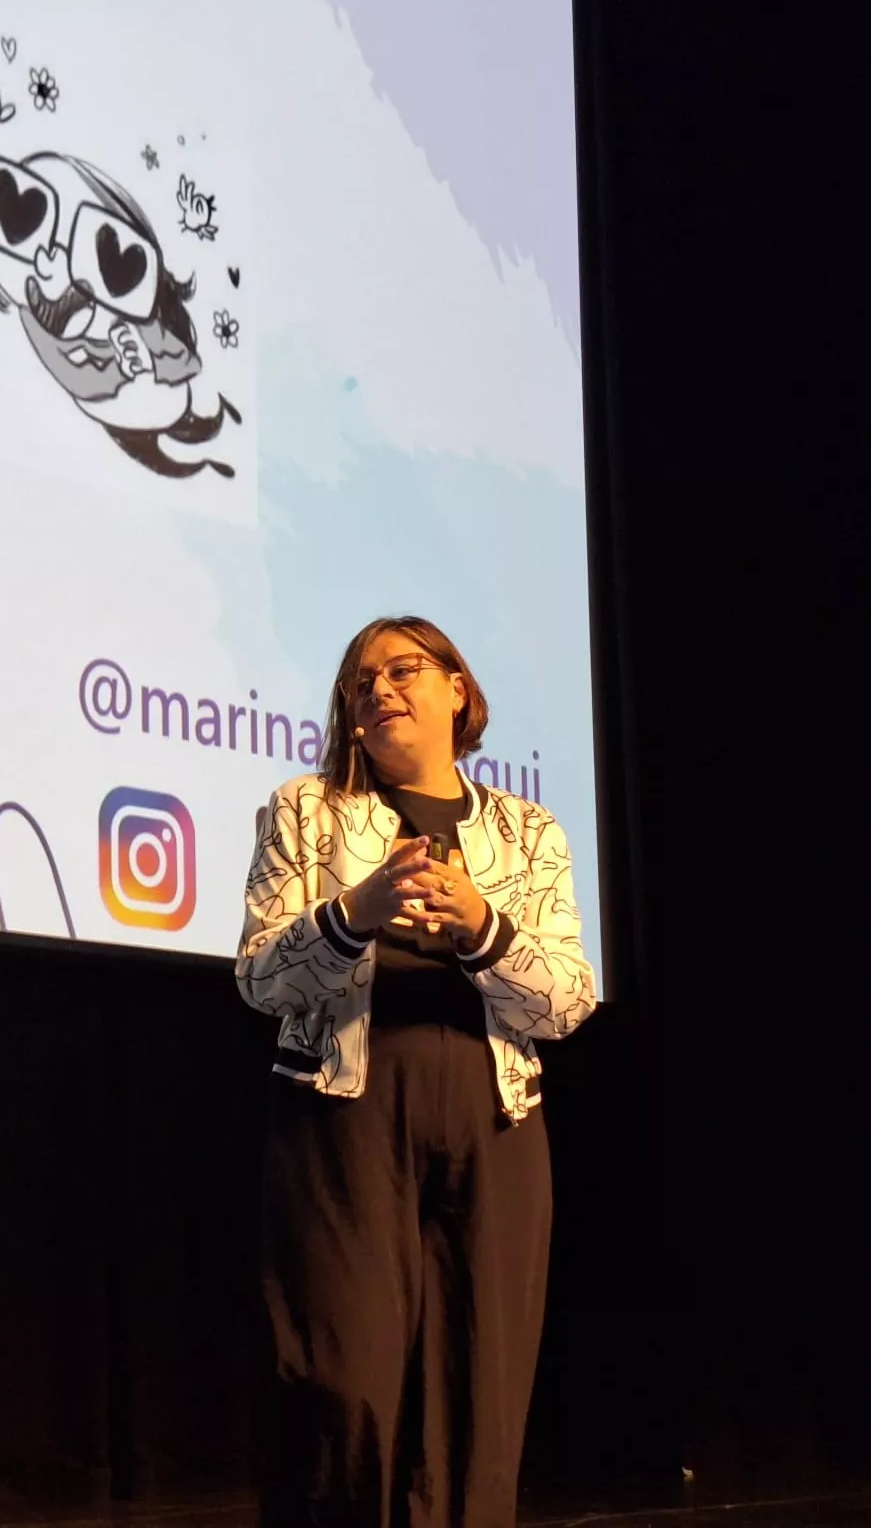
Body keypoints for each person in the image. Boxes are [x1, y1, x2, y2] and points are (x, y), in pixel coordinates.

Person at [235, 615, 599, 1528]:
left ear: (458, 691)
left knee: (480, 1389)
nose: (378, 690)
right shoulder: (304, 812)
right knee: (341, 1380)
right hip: (343, 1118)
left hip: (497, 1120)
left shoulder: (528, 832)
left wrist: (483, 927)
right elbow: (260, 979)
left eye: (401, 670)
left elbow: (565, 1003)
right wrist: (351, 914)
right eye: (360, 683)